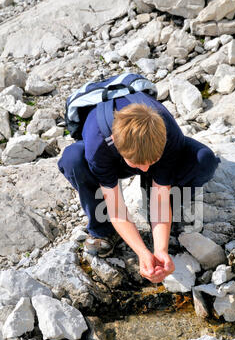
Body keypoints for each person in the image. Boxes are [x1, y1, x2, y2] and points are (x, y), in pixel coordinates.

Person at [58, 92, 221, 284]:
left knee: (204, 160)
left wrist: (160, 250)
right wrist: (142, 252)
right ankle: (103, 230)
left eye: (151, 163)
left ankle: (159, 207)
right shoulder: (99, 146)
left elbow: (160, 198)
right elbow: (116, 208)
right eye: (138, 165)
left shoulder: (169, 134)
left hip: (152, 152)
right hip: (110, 155)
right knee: (72, 160)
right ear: (118, 147)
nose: (145, 169)